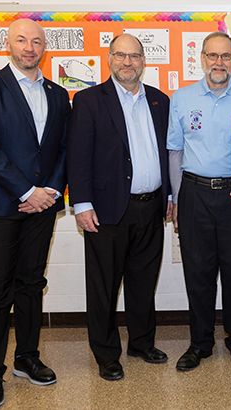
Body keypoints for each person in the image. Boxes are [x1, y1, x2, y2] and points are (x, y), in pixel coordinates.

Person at [0, 18, 70, 408]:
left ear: (45, 47)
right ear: (8, 44)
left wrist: (50, 192)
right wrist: (27, 191)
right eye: (22, 40)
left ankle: (27, 357)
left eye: (37, 41)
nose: (30, 47)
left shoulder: (59, 95)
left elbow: (63, 149)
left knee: (31, 283)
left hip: (42, 207)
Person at [67, 33, 172, 381]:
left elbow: (167, 153)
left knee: (143, 282)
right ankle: (106, 353)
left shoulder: (159, 100)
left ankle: (142, 343)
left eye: (135, 56)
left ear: (144, 61)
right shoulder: (88, 100)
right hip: (106, 210)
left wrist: (169, 196)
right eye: (121, 56)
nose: (128, 62)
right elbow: (78, 157)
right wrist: (81, 204)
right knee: (103, 286)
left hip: (151, 206)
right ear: (109, 59)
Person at [168, 32, 231, 371]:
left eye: (226, 56)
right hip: (193, 194)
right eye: (213, 56)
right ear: (202, 58)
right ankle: (200, 343)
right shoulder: (181, 98)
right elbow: (175, 151)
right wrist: (176, 198)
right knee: (198, 272)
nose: (219, 63)